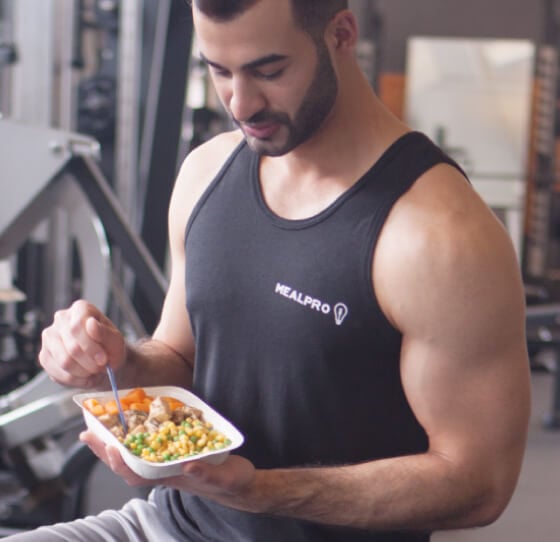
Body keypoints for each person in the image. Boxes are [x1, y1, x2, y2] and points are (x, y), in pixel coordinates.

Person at [6, 0, 531, 540]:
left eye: (269, 70)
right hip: (169, 525)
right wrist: (118, 364)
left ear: (341, 34)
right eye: (218, 70)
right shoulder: (205, 173)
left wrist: (259, 491)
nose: (241, 102)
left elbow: (478, 483)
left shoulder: (437, 236)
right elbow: (182, 358)